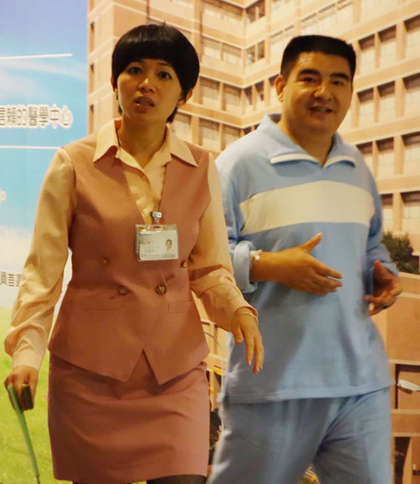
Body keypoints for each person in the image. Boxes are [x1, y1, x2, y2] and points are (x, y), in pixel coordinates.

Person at [3, 24, 264, 484]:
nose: (147, 84)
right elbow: (43, 272)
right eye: (135, 70)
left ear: (184, 93)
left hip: (175, 371)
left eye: (164, 74)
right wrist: (27, 354)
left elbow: (209, 269)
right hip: (91, 373)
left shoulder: (201, 167)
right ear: (114, 82)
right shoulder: (72, 163)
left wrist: (238, 309)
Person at [208, 35, 402, 484]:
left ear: (350, 91)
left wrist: (383, 274)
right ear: (280, 85)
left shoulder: (357, 168)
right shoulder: (237, 164)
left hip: (359, 383)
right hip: (272, 384)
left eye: (338, 81)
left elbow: (371, 247)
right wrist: (269, 265)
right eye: (309, 78)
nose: (324, 92)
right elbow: (205, 260)